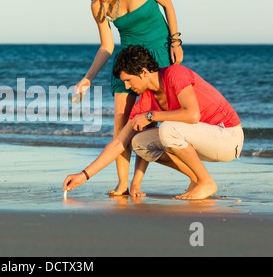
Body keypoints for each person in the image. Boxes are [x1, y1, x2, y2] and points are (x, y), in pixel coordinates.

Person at [64, 46, 244, 200]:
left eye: (128, 80)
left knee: (168, 129)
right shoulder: (145, 101)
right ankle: (197, 178)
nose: (127, 87)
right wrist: (84, 175)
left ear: (143, 71)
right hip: (201, 141)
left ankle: (206, 182)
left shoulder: (175, 74)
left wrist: (151, 116)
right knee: (139, 143)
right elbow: (119, 143)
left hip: (228, 137)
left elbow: (192, 115)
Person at [75, 0, 183, 196]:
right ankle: (122, 182)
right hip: (126, 63)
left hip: (157, 57)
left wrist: (175, 40)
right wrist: (88, 78)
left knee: (148, 122)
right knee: (121, 121)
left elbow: (168, 4)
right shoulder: (98, 6)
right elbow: (106, 46)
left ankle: (137, 183)